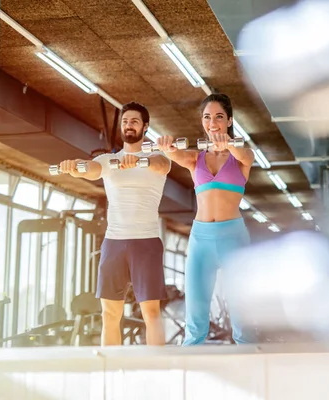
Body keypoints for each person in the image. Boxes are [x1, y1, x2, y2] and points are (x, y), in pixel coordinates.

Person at [57, 102, 171, 346]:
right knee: (110, 314)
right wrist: (76, 168)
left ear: (145, 127)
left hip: (146, 242)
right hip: (114, 243)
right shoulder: (109, 160)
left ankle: (159, 370)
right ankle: (110, 371)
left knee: (151, 313)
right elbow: (91, 168)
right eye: (125, 121)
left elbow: (163, 166)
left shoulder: (157, 158)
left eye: (134, 121)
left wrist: (141, 162)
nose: (128, 125)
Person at [156, 93, 255, 345]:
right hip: (201, 239)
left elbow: (245, 156)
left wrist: (228, 145)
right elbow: (175, 155)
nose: (213, 123)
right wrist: (167, 147)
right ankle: (188, 376)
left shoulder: (242, 155)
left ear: (229, 120)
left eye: (219, 117)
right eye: (207, 117)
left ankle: (254, 375)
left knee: (243, 320)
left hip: (234, 238)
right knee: (195, 320)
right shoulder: (195, 158)